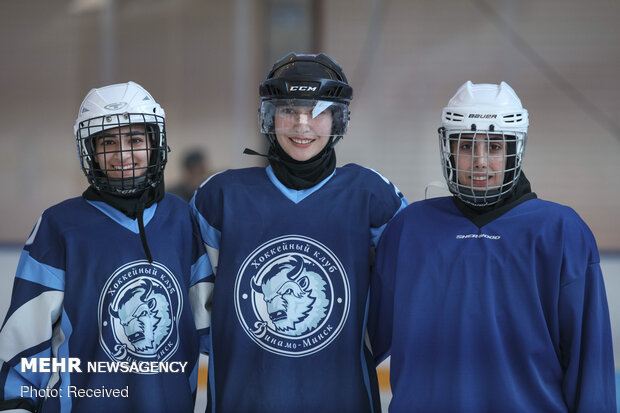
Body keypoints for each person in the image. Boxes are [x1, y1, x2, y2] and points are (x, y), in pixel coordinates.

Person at [368, 81, 616, 412]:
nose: (481, 161)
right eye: (467, 146)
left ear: (516, 149)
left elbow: (590, 362)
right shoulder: (409, 228)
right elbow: (360, 344)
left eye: (496, 147)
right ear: (449, 149)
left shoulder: (561, 231)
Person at [191, 52, 407, 412]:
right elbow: (195, 307)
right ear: (270, 116)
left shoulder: (372, 195)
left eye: (318, 111)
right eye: (289, 110)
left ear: (338, 119)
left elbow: (404, 298)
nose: (302, 125)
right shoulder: (221, 197)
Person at [0, 81, 211, 413]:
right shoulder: (58, 226)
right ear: (91, 152)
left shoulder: (185, 220)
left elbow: (219, 332)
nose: (122, 154)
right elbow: (24, 342)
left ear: (155, 145)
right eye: (108, 142)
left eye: (135, 140)